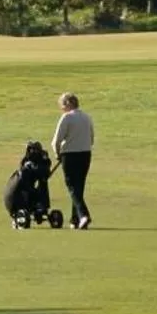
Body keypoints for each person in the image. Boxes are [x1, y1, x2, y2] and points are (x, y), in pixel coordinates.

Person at [51, 92, 94, 229]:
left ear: (68, 104)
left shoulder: (67, 118)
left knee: (72, 187)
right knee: (79, 187)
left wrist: (57, 154)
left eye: (62, 105)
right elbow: (91, 139)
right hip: (86, 154)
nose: (62, 109)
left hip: (70, 155)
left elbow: (56, 141)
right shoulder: (87, 117)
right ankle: (74, 220)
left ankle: (83, 215)